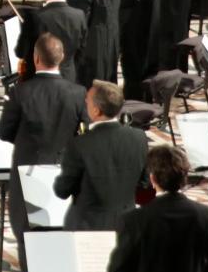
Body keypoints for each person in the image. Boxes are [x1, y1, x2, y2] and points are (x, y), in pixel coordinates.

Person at [0, 32, 85, 249]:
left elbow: (3, 131)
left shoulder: (20, 91)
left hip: (27, 169)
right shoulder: (78, 93)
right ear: (62, 57)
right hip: (63, 169)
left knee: (26, 235)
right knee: (59, 234)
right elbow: (85, 132)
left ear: (36, 59)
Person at [53, 79, 146, 229]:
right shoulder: (139, 138)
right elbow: (144, 183)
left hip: (88, 228)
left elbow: (62, 190)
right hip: (126, 223)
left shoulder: (79, 144)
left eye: (87, 101)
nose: (85, 103)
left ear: (96, 110)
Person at [18, 0, 88, 85]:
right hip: (69, 78)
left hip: (40, 82)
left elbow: (22, 51)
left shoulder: (35, 17)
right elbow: (82, 51)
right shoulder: (79, 15)